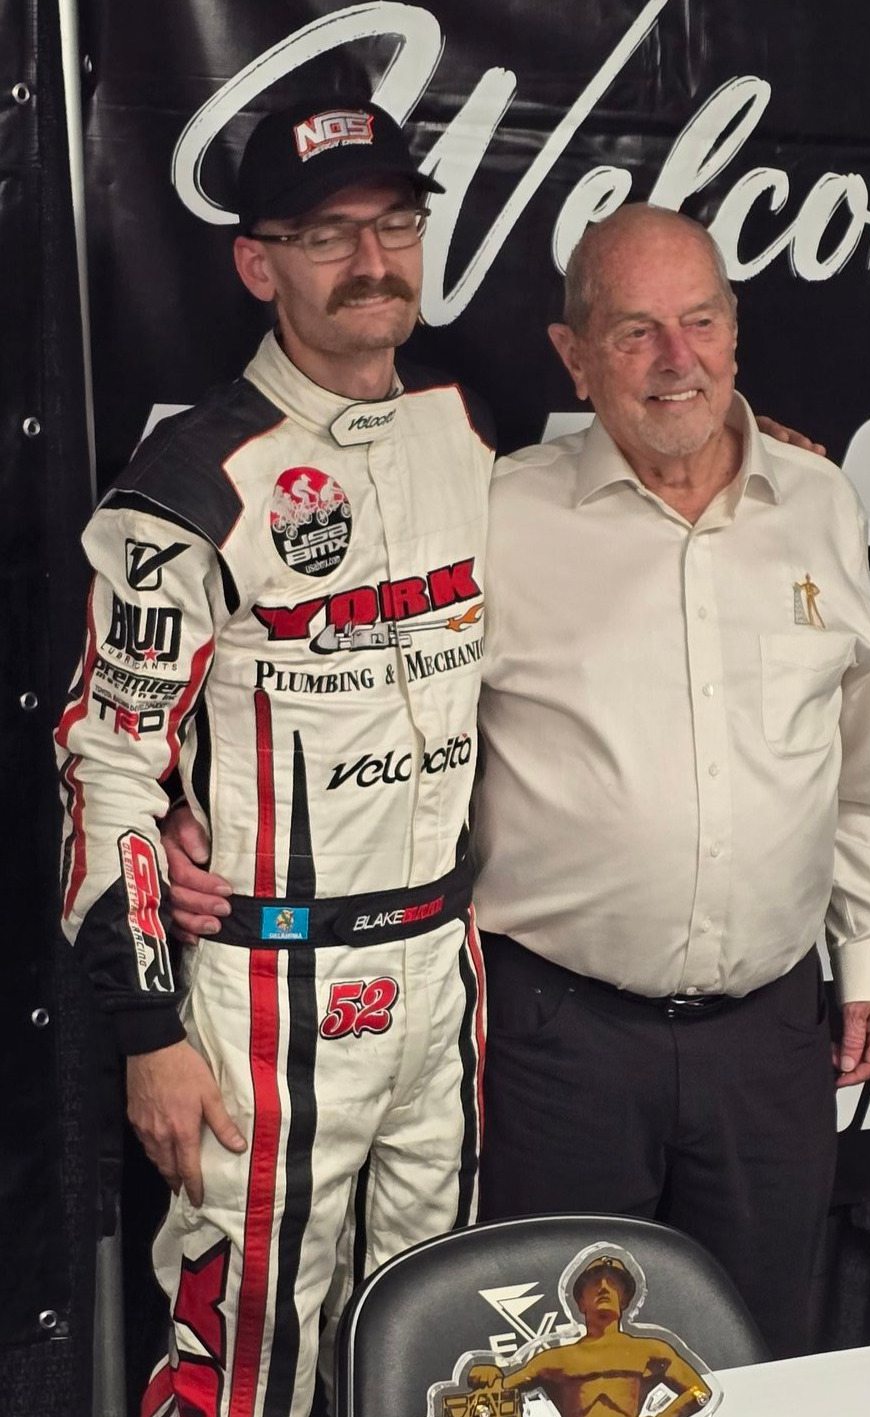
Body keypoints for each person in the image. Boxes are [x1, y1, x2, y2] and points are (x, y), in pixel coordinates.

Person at [55, 96, 492, 1416]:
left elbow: (647, 452)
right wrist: (146, 1034)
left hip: (440, 967)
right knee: (240, 1367)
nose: (372, 260)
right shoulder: (187, 482)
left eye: (395, 224)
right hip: (259, 989)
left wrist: (753, 434)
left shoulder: (478, 425)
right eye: (326, 235)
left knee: (442, 1353)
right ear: (258, 263)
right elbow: (106, 765)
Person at [471, 203, 870, 1358]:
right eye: (636, 331)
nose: (678, 359)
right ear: (574, 355)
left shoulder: (820, 503)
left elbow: (863, 765)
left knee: (752, 1362)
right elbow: (379, 731)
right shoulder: (497, 516)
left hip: (770, 1045)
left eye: (702, 321)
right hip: (559, 1045)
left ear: (735, 328)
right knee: (555, 1375)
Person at [465, 1254, 711, 1417]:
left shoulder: (649, 1351)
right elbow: (500, 1389)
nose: (603, 1288)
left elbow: (699, 1391)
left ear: (624, 1299)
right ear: (581, 1302)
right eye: (594, 1284)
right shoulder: (555, 1359)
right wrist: (490, 1373)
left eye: (613, 1283)